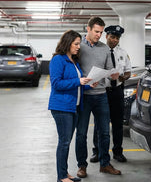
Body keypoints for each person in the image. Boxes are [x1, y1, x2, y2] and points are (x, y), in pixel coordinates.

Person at [49, 30, 98, 182]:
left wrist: (89, 86)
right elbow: (56, 84)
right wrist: (79, 81)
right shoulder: (58, 60)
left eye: (79, 44)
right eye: (76, 44)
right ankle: (61, 176)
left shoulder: (74, 61)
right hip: (61, 107)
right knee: (64, 142)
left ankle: (65, 174)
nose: (78, 47)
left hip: (73, 107)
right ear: (67, 43)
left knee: (66, 142)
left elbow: (77, 86)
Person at [75, 17, 122, 178]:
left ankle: (105, 164)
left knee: (104, 133)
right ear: (87, 29)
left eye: (101, 32)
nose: (99, 35)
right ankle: (82, 166)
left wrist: (113, 74)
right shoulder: (78, 46)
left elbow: (109, 70)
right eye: (96, 31)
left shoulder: (104, 49)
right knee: (81, 133)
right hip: (84, 96)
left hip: (101, 95)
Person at [90, 25, 131, 163]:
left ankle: (118, 152)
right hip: (102, 91)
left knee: (118, 124)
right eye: (112, 37)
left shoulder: (123, 53)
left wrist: (121, 77)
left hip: (117, 92)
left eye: (117, 38)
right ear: (106, 36)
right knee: (100, 123)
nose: (114, 40)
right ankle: (97, 151)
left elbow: (128, 72)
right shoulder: (99, 52)